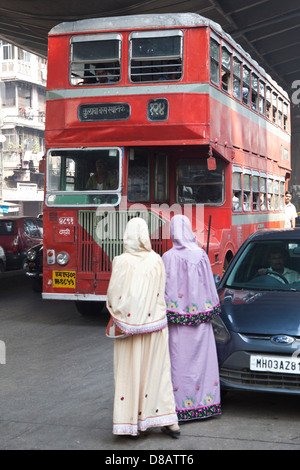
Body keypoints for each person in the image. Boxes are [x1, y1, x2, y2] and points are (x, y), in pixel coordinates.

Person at [106, 217, 180, 439]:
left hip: (127, 330)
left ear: (127, 236)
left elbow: (114, 295)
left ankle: (129, 425)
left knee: (128, 374)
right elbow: (161, 291)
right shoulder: (157, 260)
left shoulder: (121, 261)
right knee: (157, 373)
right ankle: (167, 421)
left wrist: (123, 314)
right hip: (155, 328)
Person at [162, 214, 221, 422]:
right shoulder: (201, 255)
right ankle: (205, 405)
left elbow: (165, 290)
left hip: (177, 325)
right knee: (203, 363)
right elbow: (210, 288)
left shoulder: (168, 257)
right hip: (202, 323)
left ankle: (179, 408)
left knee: (179, 363)